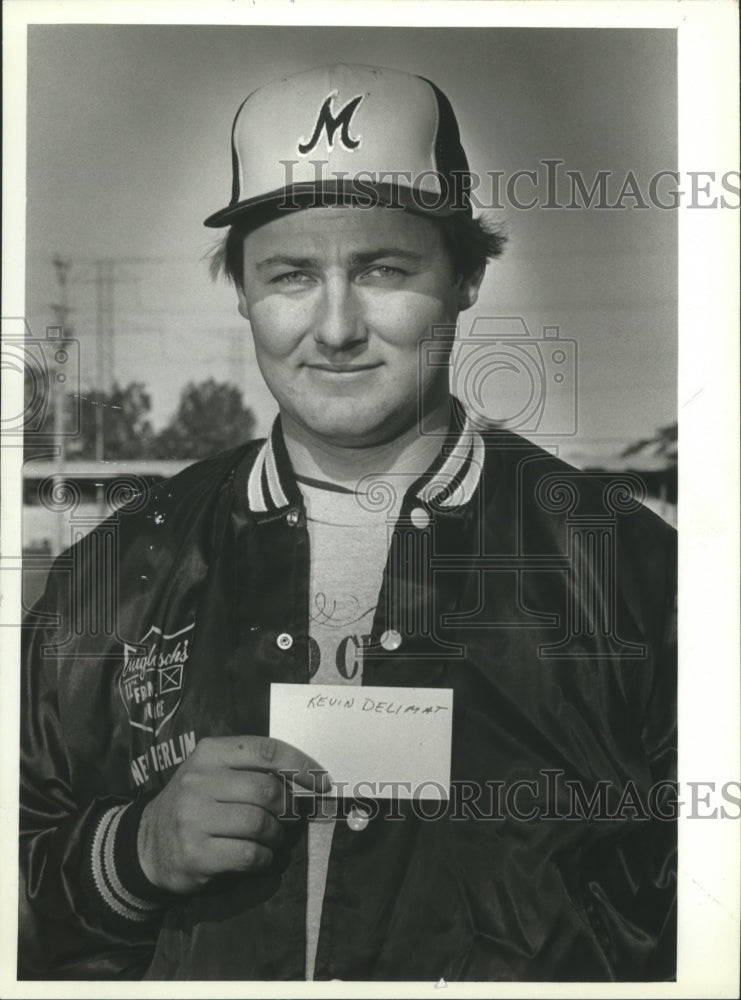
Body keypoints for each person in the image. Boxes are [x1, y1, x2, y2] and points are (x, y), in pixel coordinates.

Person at [19, 63, 677, 982]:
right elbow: (30, 893)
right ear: (243, 291)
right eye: (290, 274)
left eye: (382, 270)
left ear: (465, 278)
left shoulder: (633, 575)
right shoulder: (113, 573)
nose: (334, 327)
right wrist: (134, 853)